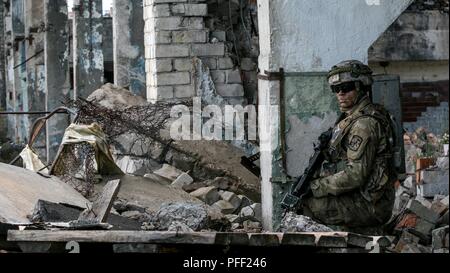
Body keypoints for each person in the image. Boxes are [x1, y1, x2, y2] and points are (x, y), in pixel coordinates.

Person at [301, 60, 397, 229]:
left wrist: (316, 186)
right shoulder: (351, 118)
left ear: (361, 87)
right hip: (363, 198)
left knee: (304, 205)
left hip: (370, 206)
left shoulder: (364, 124)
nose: (340, 94)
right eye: (336, 89)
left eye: (346, 88)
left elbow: (355, 175)